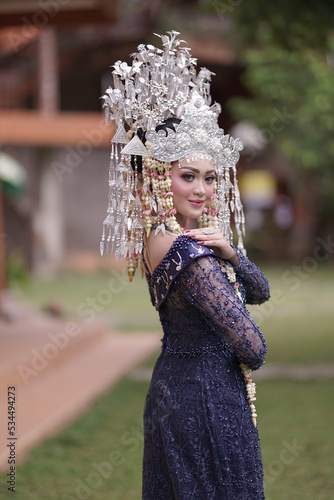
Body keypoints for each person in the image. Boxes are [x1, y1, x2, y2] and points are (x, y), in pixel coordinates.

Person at [101, 31, 270, 499]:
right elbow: (253, 346)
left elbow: (260, 290)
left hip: (174, 390)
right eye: (187, 176)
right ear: (160, 176)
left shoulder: (161, 240)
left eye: (211, 178)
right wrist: (218, 264)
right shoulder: (189, 255)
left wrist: (232, 253)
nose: (202, 190)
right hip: (206, 400)